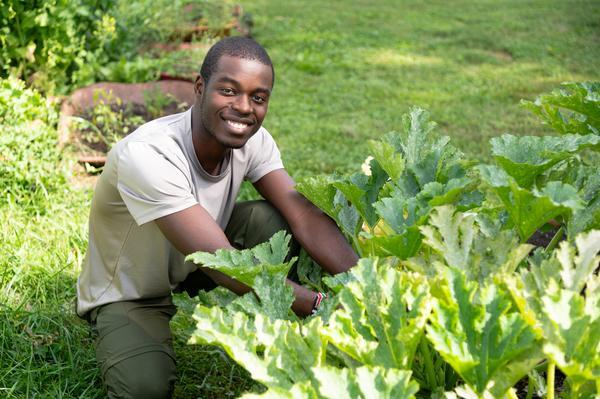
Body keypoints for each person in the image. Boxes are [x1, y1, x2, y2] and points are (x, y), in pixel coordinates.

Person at [76, 36, 358, 398]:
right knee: (145, 388)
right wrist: (319, 305)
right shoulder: (147, 155)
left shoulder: (253, 140)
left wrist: (362, 281)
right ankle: (113, 327)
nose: (244, 108)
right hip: (133, 289)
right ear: (200, 87)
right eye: (229, 90)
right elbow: (222, 264)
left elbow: (303, 214)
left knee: (278, 222)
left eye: (258, 97)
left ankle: (279, 317)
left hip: (196, 259)